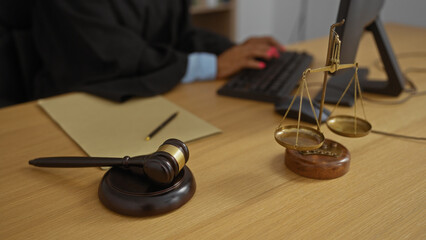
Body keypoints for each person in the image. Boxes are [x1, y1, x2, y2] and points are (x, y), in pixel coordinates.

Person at [31, 0, 285, 102]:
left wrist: (234, 50)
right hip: (76, 102)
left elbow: (181, 34)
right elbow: (114, 54)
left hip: (154, 100)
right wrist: (215, 66)